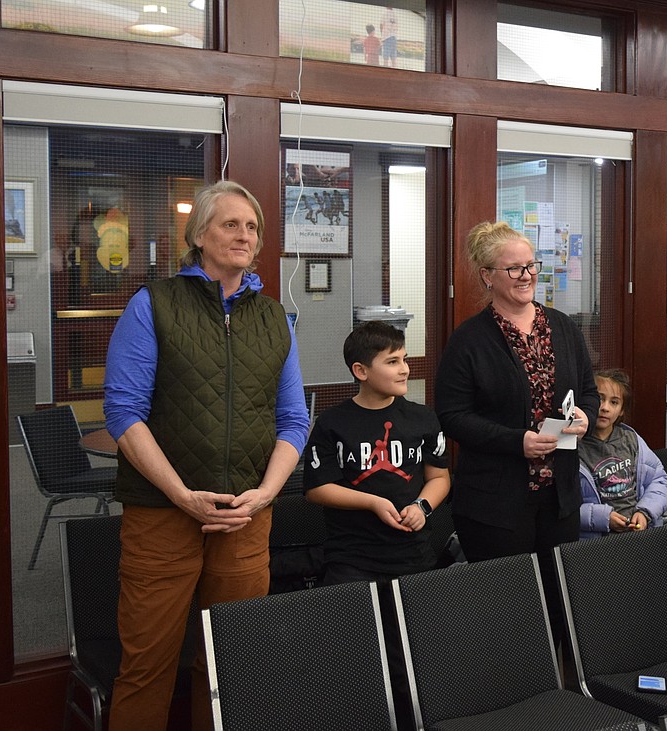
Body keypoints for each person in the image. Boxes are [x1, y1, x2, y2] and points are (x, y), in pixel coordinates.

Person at [103, 180, 310, 730]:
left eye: (252, 227)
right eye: (230, 224)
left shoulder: (274, 319)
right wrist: (180, 495)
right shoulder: (154, 304)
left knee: (231, 665)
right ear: (198, 236)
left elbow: (294, 420)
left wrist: (266, 495)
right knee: (147, 667)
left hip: (246, 516)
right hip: (161, 514)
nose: (244, 235)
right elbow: (124, 413)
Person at [434, 220, 596, 641]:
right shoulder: (468, 340)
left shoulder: (563, 327)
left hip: (559, 496)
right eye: (514, 269)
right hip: (495, 504)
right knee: (506, 612)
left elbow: (590, 393)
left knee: (561, 603)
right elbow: (451, 416)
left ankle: (562, 689)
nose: (527, 276)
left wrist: (584, 417)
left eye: (531, 266)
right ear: (487, 276)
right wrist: (515, 442)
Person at [303, 320, 450, 585]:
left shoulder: (423, 418)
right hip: (352, 557)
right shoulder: (332, 423)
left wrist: (422, 506)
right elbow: (317, 489)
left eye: (404, 359)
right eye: (392, 362)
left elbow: (439, 478)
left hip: (414, 553)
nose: (405, 370)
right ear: (361, 370)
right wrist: (373, 503)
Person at [578, 369, 667, 540]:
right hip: (595, 541)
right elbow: (563, 507)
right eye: (599, 398)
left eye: (614, 402)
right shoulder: (574, 445)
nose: (604, 407)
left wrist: (645, 513)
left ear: (621, 410)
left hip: (638, 534)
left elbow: (659, 481)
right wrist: (603, 518)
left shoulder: (631, 439)